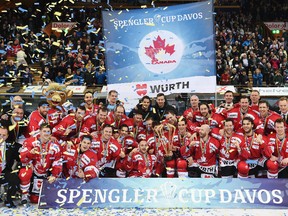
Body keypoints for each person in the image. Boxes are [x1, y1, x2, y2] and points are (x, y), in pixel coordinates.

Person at [19, 123, 62, 204]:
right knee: (25, 173)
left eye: (48, 131)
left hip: (46, 172)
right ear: (40, 132)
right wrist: (30, 154)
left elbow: (58, 161)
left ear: (51, 133)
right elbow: (22, 158)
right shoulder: (30, 141)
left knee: (36, 200)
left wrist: (54, 175)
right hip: (33, 171)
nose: (46, 133)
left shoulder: (55, 145)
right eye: (44, 131)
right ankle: (24, 194)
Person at [0, 126, 20, 208]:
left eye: (4, 135)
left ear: (7, 136)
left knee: (15, 180)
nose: (1, 137)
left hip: (4, 171)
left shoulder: (11, 146)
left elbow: (20, 155)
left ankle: (8, 199)